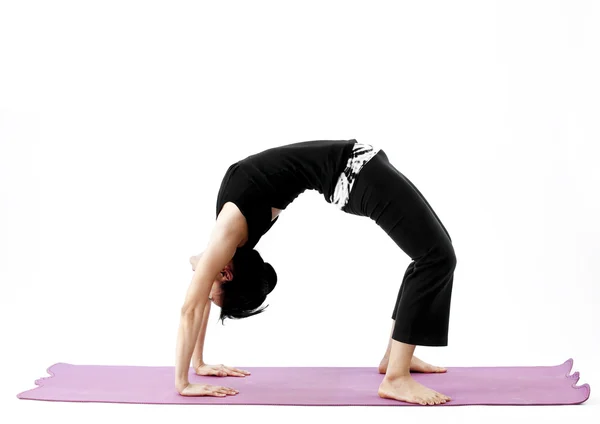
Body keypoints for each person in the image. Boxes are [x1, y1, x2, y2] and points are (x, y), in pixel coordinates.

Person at [175, 139, 456, 405]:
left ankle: (395, 359)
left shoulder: (227, 235)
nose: (206, 297)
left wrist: (185, 379)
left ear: (227, 275)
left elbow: (192, 304)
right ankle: (396, 377)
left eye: (213, 297)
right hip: (355, 173)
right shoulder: (227, 246)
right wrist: (195, 367)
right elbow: (197, 294)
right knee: (435, 257)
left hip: (356, 168)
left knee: (434, 256)